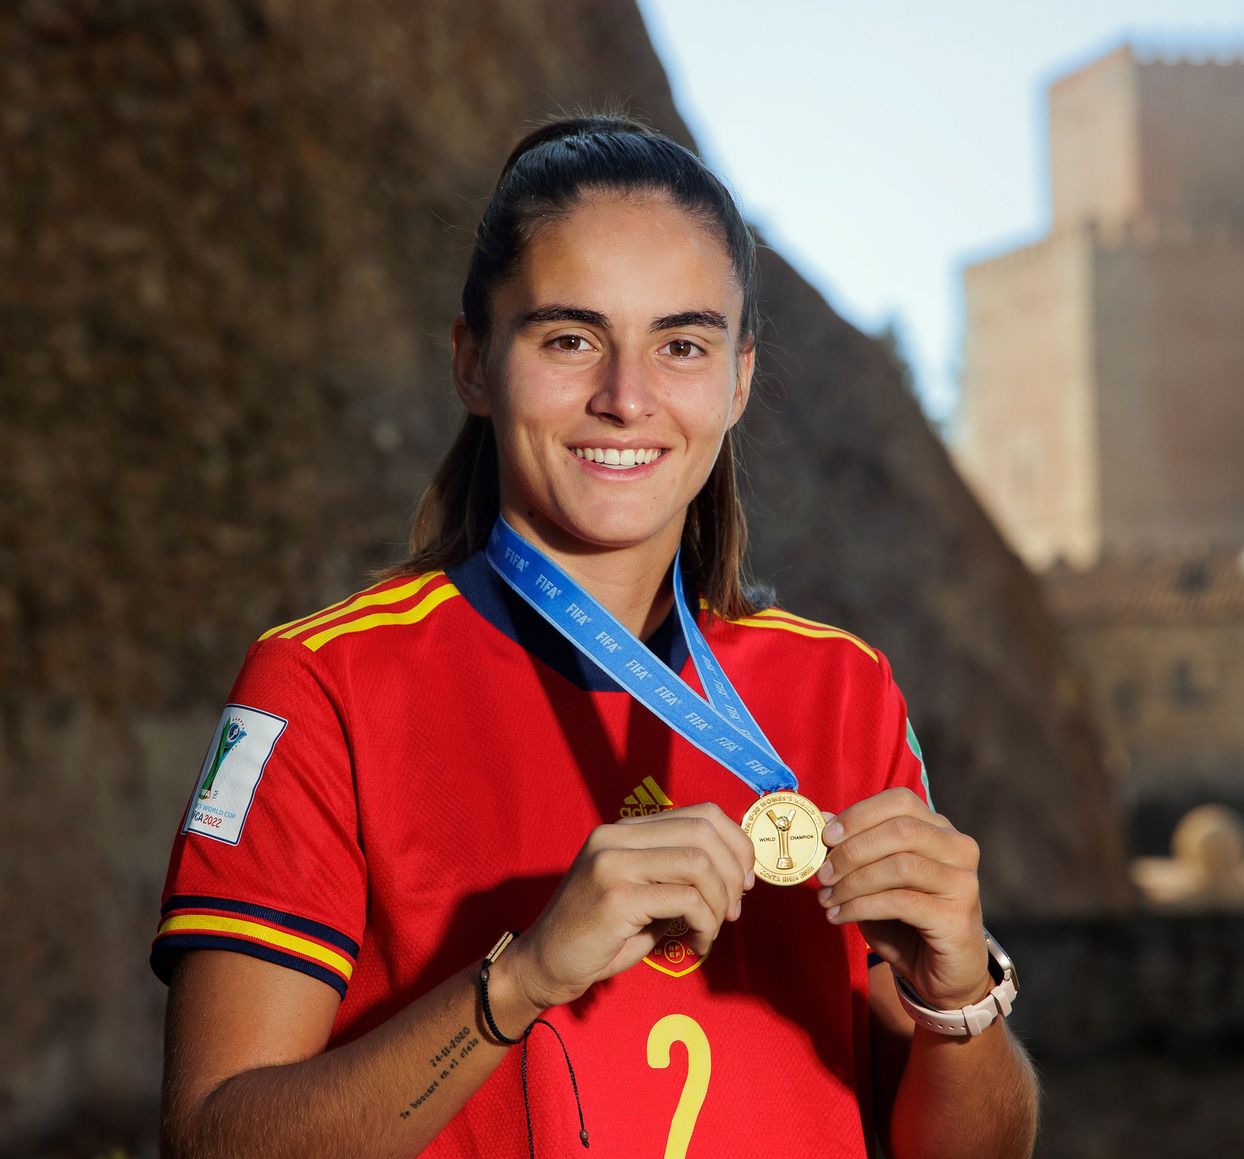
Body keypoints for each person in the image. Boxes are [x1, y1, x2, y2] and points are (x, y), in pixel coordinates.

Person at [153, 115, 1039, 1157]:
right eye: (570, 339)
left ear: (739, 379)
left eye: (682, 344)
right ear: (475, 364)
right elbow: (213, 1140)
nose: (626, 399)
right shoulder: (325, 686)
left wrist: (959, 996)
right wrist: (521, 980)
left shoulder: (839, 687)